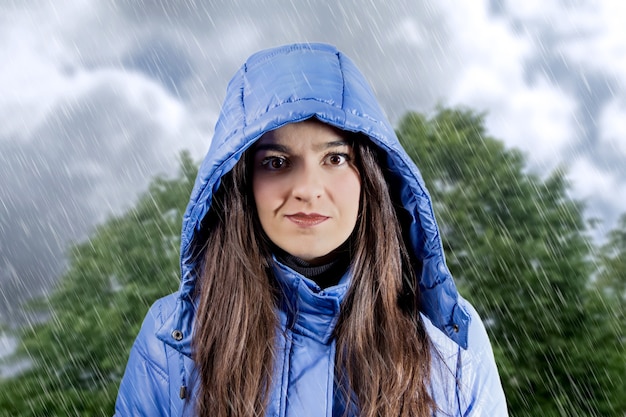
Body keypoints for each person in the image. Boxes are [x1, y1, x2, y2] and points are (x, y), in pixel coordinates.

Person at [114, 43, 508, 417]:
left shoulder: (450, 346)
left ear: (371, 176)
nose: (306, 189)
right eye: (276, 162)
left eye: (334, 158)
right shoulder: (173, 340)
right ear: (241, 183)